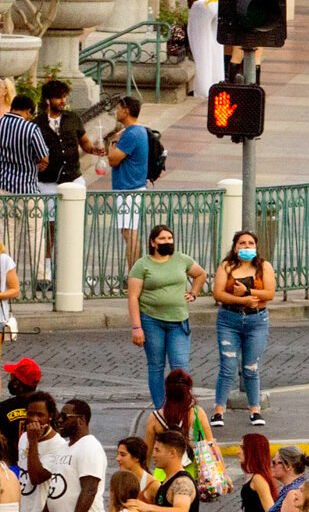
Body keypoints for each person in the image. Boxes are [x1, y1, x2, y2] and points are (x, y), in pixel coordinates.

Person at [126, 224, 207, 411]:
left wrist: (194, 293)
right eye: (162, 239)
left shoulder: (181, 259)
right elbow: (133, 297)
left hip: (178, 321)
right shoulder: (142, 265)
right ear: (153, 243)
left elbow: (200, 274)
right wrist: (136, 327)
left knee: (180, 367)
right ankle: (161, 409)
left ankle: (181, 407)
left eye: (170, 238)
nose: (167, 242)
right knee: (156, 366)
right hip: (151, 321)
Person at [211, 230, 275, 428]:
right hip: (229, 320)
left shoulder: (263, 266)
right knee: (228, 366)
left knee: (250, 367)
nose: (247, 247)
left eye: (250, 243)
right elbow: (218, 293)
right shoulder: (226, 266)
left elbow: (270, 293)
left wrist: (248, 291)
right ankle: (218, 411)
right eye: (242, 243)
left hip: (257, 321)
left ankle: (254, 409)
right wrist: (242, 300)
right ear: (235, 247)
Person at [105, 98, 150, 267]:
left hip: (128, 188)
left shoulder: (131, 134)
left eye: (118, 108)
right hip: (133, 186)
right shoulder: (139, 131)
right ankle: (135, 270)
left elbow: (113, 159)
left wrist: (113, 142)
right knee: (130, 230)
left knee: (129, 231)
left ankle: (134, 271)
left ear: (126, 110)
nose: (116, 112)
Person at [34, 79, 94, 190]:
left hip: (74, 179)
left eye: (64, 97)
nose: (63, 101)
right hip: (47, 183)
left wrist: (94, 150)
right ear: (47, 100)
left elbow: (85, 142)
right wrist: (36, 165)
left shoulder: (73, 118)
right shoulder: (36, 124)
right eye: (58, 98)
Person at [0, 94, 49, 196]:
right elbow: (44, 158)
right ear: (28, 111)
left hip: (2, 189)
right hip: (25, 190)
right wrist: (39, 164)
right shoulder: (31, 128)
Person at [0, 357, 37, 450]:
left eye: (12, 377)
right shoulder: (47, 408)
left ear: (16, 383)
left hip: (9, 457)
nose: (9, 380)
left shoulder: (4, 408)